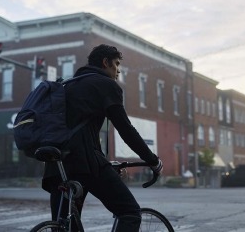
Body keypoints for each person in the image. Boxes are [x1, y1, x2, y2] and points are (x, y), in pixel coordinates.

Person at [42, 44, 163, 232]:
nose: (119, 71)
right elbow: (126, 130)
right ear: (105, 63)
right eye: (116, 64)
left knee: (65, 227)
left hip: (56, 166)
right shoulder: (105, 85)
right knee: (130, 212)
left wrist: (105, 163)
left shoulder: (66, 85)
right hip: (85, 163)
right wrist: (152, 160)